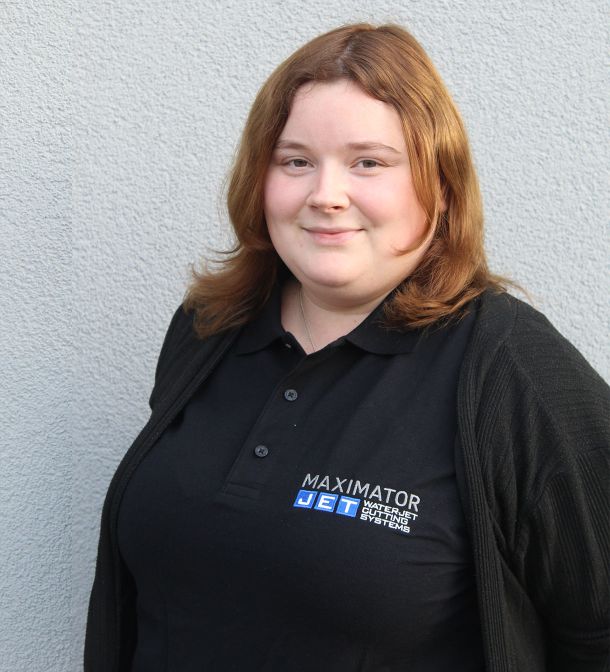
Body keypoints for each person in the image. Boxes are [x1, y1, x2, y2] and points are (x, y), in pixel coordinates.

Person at [84, 23, 610, 672]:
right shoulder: (208, 329)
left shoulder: (516, 371)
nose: (325, 196)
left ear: (440, 186)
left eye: (369, 162)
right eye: (295, 161)